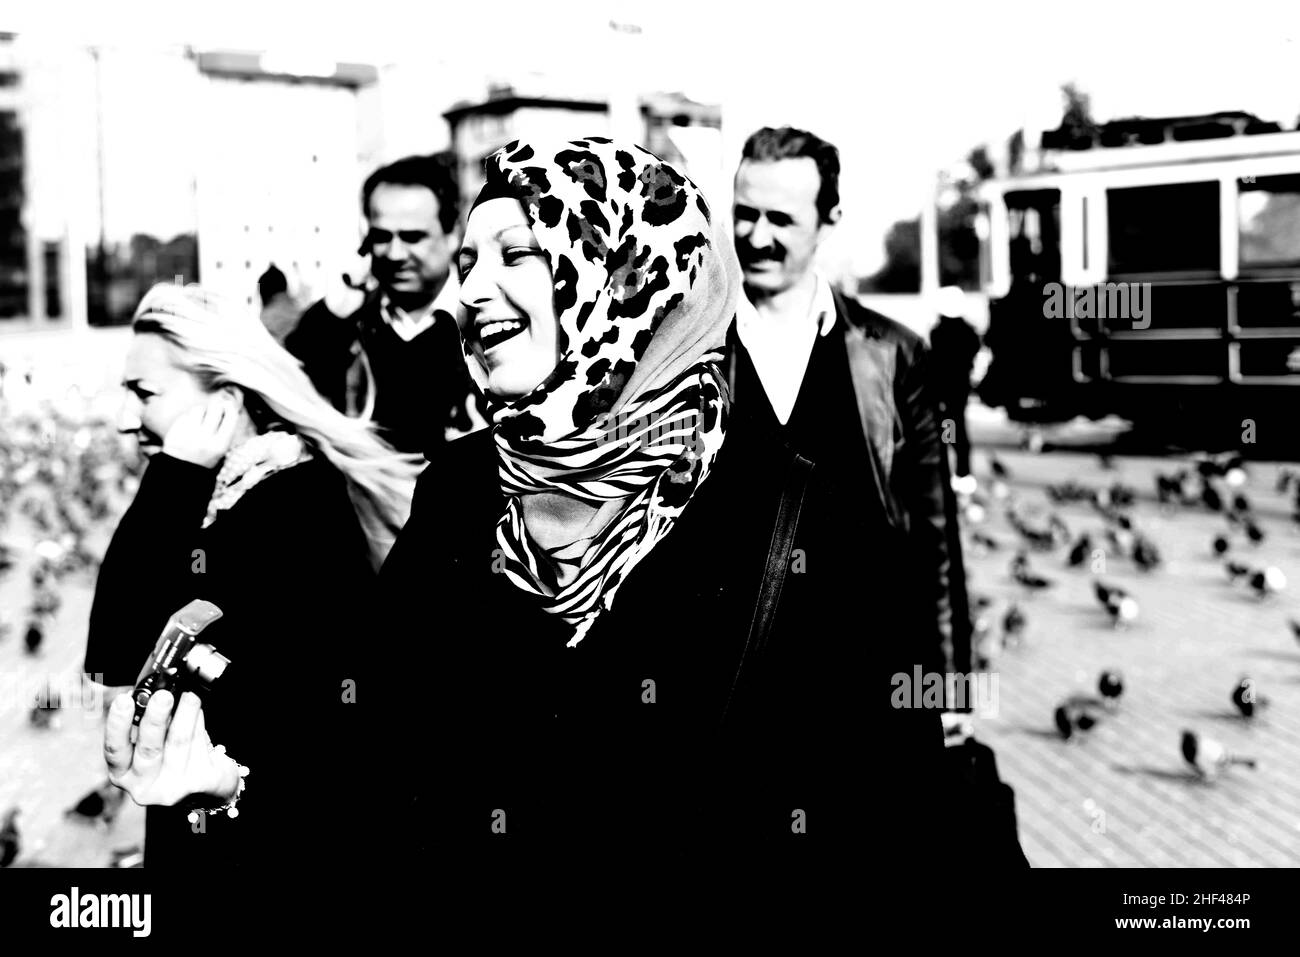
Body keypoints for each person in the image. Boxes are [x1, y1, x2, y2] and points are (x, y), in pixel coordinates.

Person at [377, 137, 944, 868]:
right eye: (466, 264)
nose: (469, 292)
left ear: (625, 278)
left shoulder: (804, 516)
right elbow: (378, 746)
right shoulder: (458, 488)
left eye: (516, 253)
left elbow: (901, 807)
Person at [84, 282, 420, 868]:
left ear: (225, 400)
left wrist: (172, 477)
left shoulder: (289, 511)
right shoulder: (225, 503)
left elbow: (118, 656)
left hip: (254, 851)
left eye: (144, 392)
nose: (124, 419)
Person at [726, 125, 971, 682]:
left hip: (868, 676)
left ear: (829, 219)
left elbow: (934, 531)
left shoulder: (895, 354)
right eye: (745, 214)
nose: (757, 237)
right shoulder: (697, 348)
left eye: (781, 219)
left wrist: (948, 684)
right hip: (736, 687)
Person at [285, 153, 474, 457]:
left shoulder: (484, 316)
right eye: (381, 237)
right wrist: (332, 317)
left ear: (452, 234)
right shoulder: (346, 319)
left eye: (412, 237)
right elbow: (288, 390)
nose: (395, 254)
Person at [929, 285, 983, 484]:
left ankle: (950, 471)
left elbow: (934, 361)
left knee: (948, 428)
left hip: (943, 389)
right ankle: (962, 471)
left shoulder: (938, 333)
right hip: (959, 387)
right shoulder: (969, 332)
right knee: (956, 426)